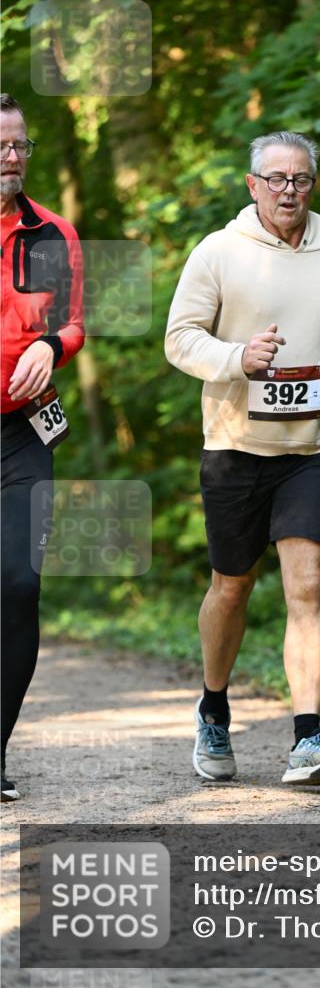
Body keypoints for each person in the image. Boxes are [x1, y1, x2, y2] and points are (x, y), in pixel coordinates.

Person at [165, 131, 320, 786]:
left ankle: (307, 737)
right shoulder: (218, 253)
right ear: (252, 184)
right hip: (235, 446)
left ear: (312, 185)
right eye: (276, 179)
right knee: (232, 585)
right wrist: (238, 359)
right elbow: (179, 339)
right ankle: (212, 708)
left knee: (309, 583)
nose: (288, 191)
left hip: (312, 449)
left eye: (300, 180)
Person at [0, 94, 85, 802]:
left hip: (24, 429)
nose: (13, 157)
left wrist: (53, 346)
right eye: (2, 145)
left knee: (20, 585)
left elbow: (76, 323)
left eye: (21, 145)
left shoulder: (54, 233)